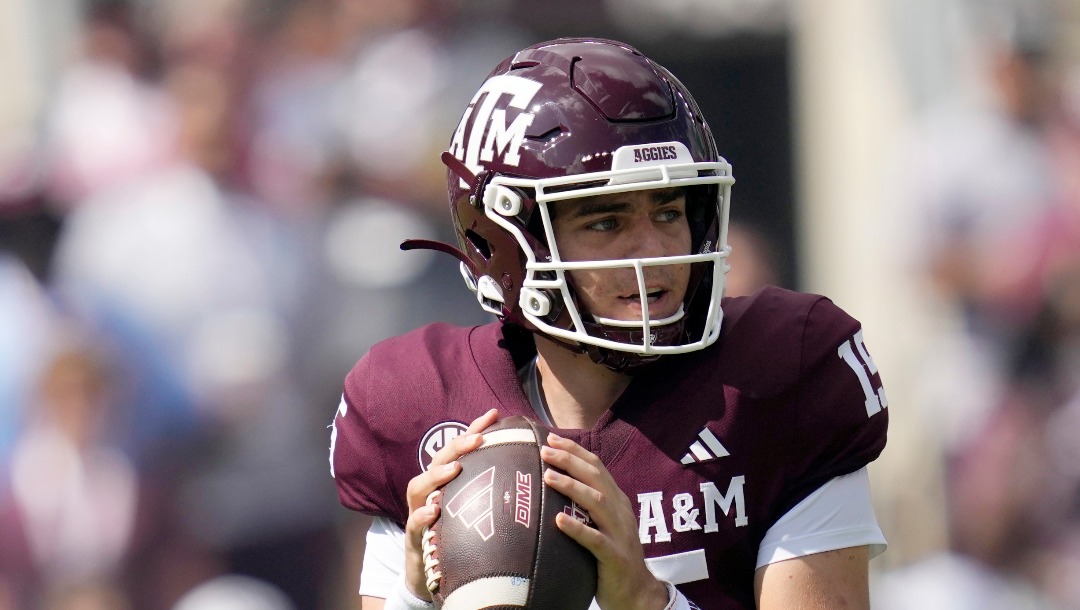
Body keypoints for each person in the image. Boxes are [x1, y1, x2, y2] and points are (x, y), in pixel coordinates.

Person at [329, 37, 888, 609]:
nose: (654, 250)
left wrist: (648, 601)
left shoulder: (777, 378)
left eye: (669, 211)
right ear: (506, 242)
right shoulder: (416, 403)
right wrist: (417, 599)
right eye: (606, 222)